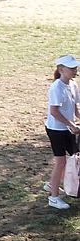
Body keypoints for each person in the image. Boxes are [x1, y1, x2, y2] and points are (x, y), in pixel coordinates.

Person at [44, 54, 80, 210]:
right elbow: (54, 112)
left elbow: (75, 107)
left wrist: (77, 119)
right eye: (71, 68)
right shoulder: (56, 87)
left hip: (68, 129)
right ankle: (53, 197)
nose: (75, 70)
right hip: (56, 130)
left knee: (74, 159)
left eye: (75, 67)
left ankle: (52, 184)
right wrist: (71, 124)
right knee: (61, 162)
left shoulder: (73, 84)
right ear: (61, 70)